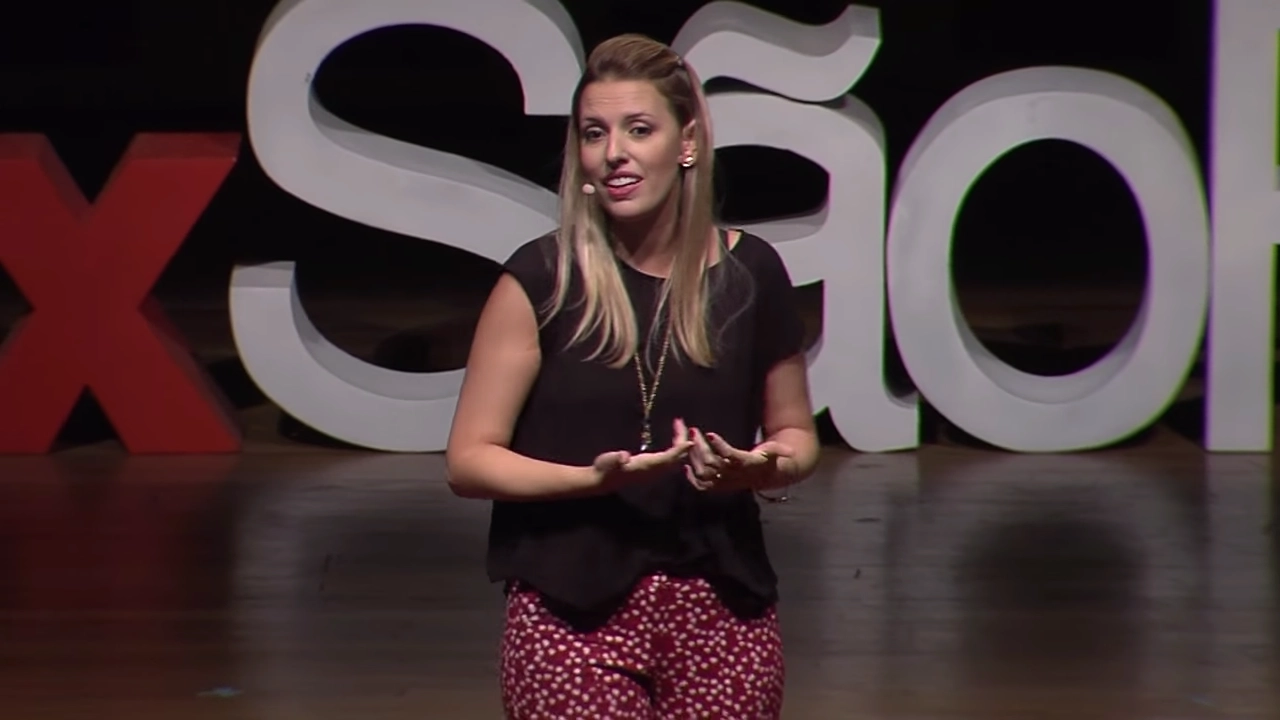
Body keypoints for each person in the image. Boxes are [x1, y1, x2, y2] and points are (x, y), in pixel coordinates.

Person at [445, 32, 820, 720]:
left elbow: (796, 434)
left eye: (639, 129)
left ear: (687, 142)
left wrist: (757, 468)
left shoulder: (752, 275)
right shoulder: (540, 281)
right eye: (595, 133)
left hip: (722, 611)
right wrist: (590, 482)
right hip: (570, 615)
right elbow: (469, 461)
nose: (614, 151)